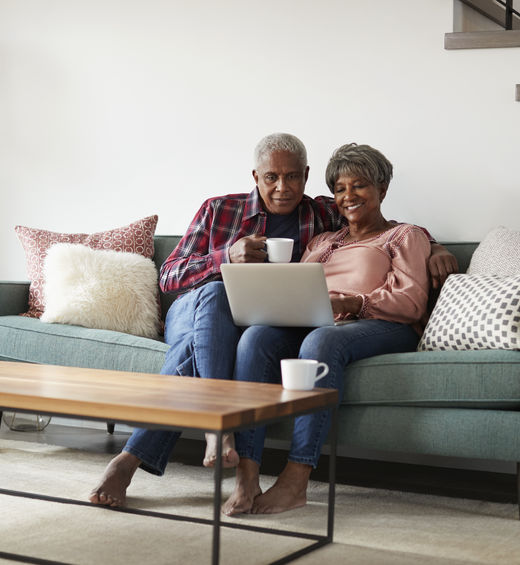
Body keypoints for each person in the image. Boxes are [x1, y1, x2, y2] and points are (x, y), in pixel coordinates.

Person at [89, 134, 457, 507]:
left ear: (306, 176)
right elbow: (168, 278)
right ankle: (221, 427)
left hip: (276, 321)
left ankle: (144, 459)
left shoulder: (322, 216)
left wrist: (435, 246)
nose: (283, 187)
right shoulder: (221, 210)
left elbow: (389, 228)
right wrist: (225, 258)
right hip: (196, 307)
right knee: (217, 298)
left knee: (251, 339)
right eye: (272, 178)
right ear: (255, 176)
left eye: (294, 177)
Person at [222, 143, 432, 516]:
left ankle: (296, 479)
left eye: (360, 186)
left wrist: (352, 303)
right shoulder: (322, 241)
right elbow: (298, 287)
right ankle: (247, 472)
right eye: (339, 189)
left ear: (382, 189)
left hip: (383, 325)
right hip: (321, 322)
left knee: (322, 339)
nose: (348, 196)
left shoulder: (404, 236)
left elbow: (412, 301)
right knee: (256, 337)